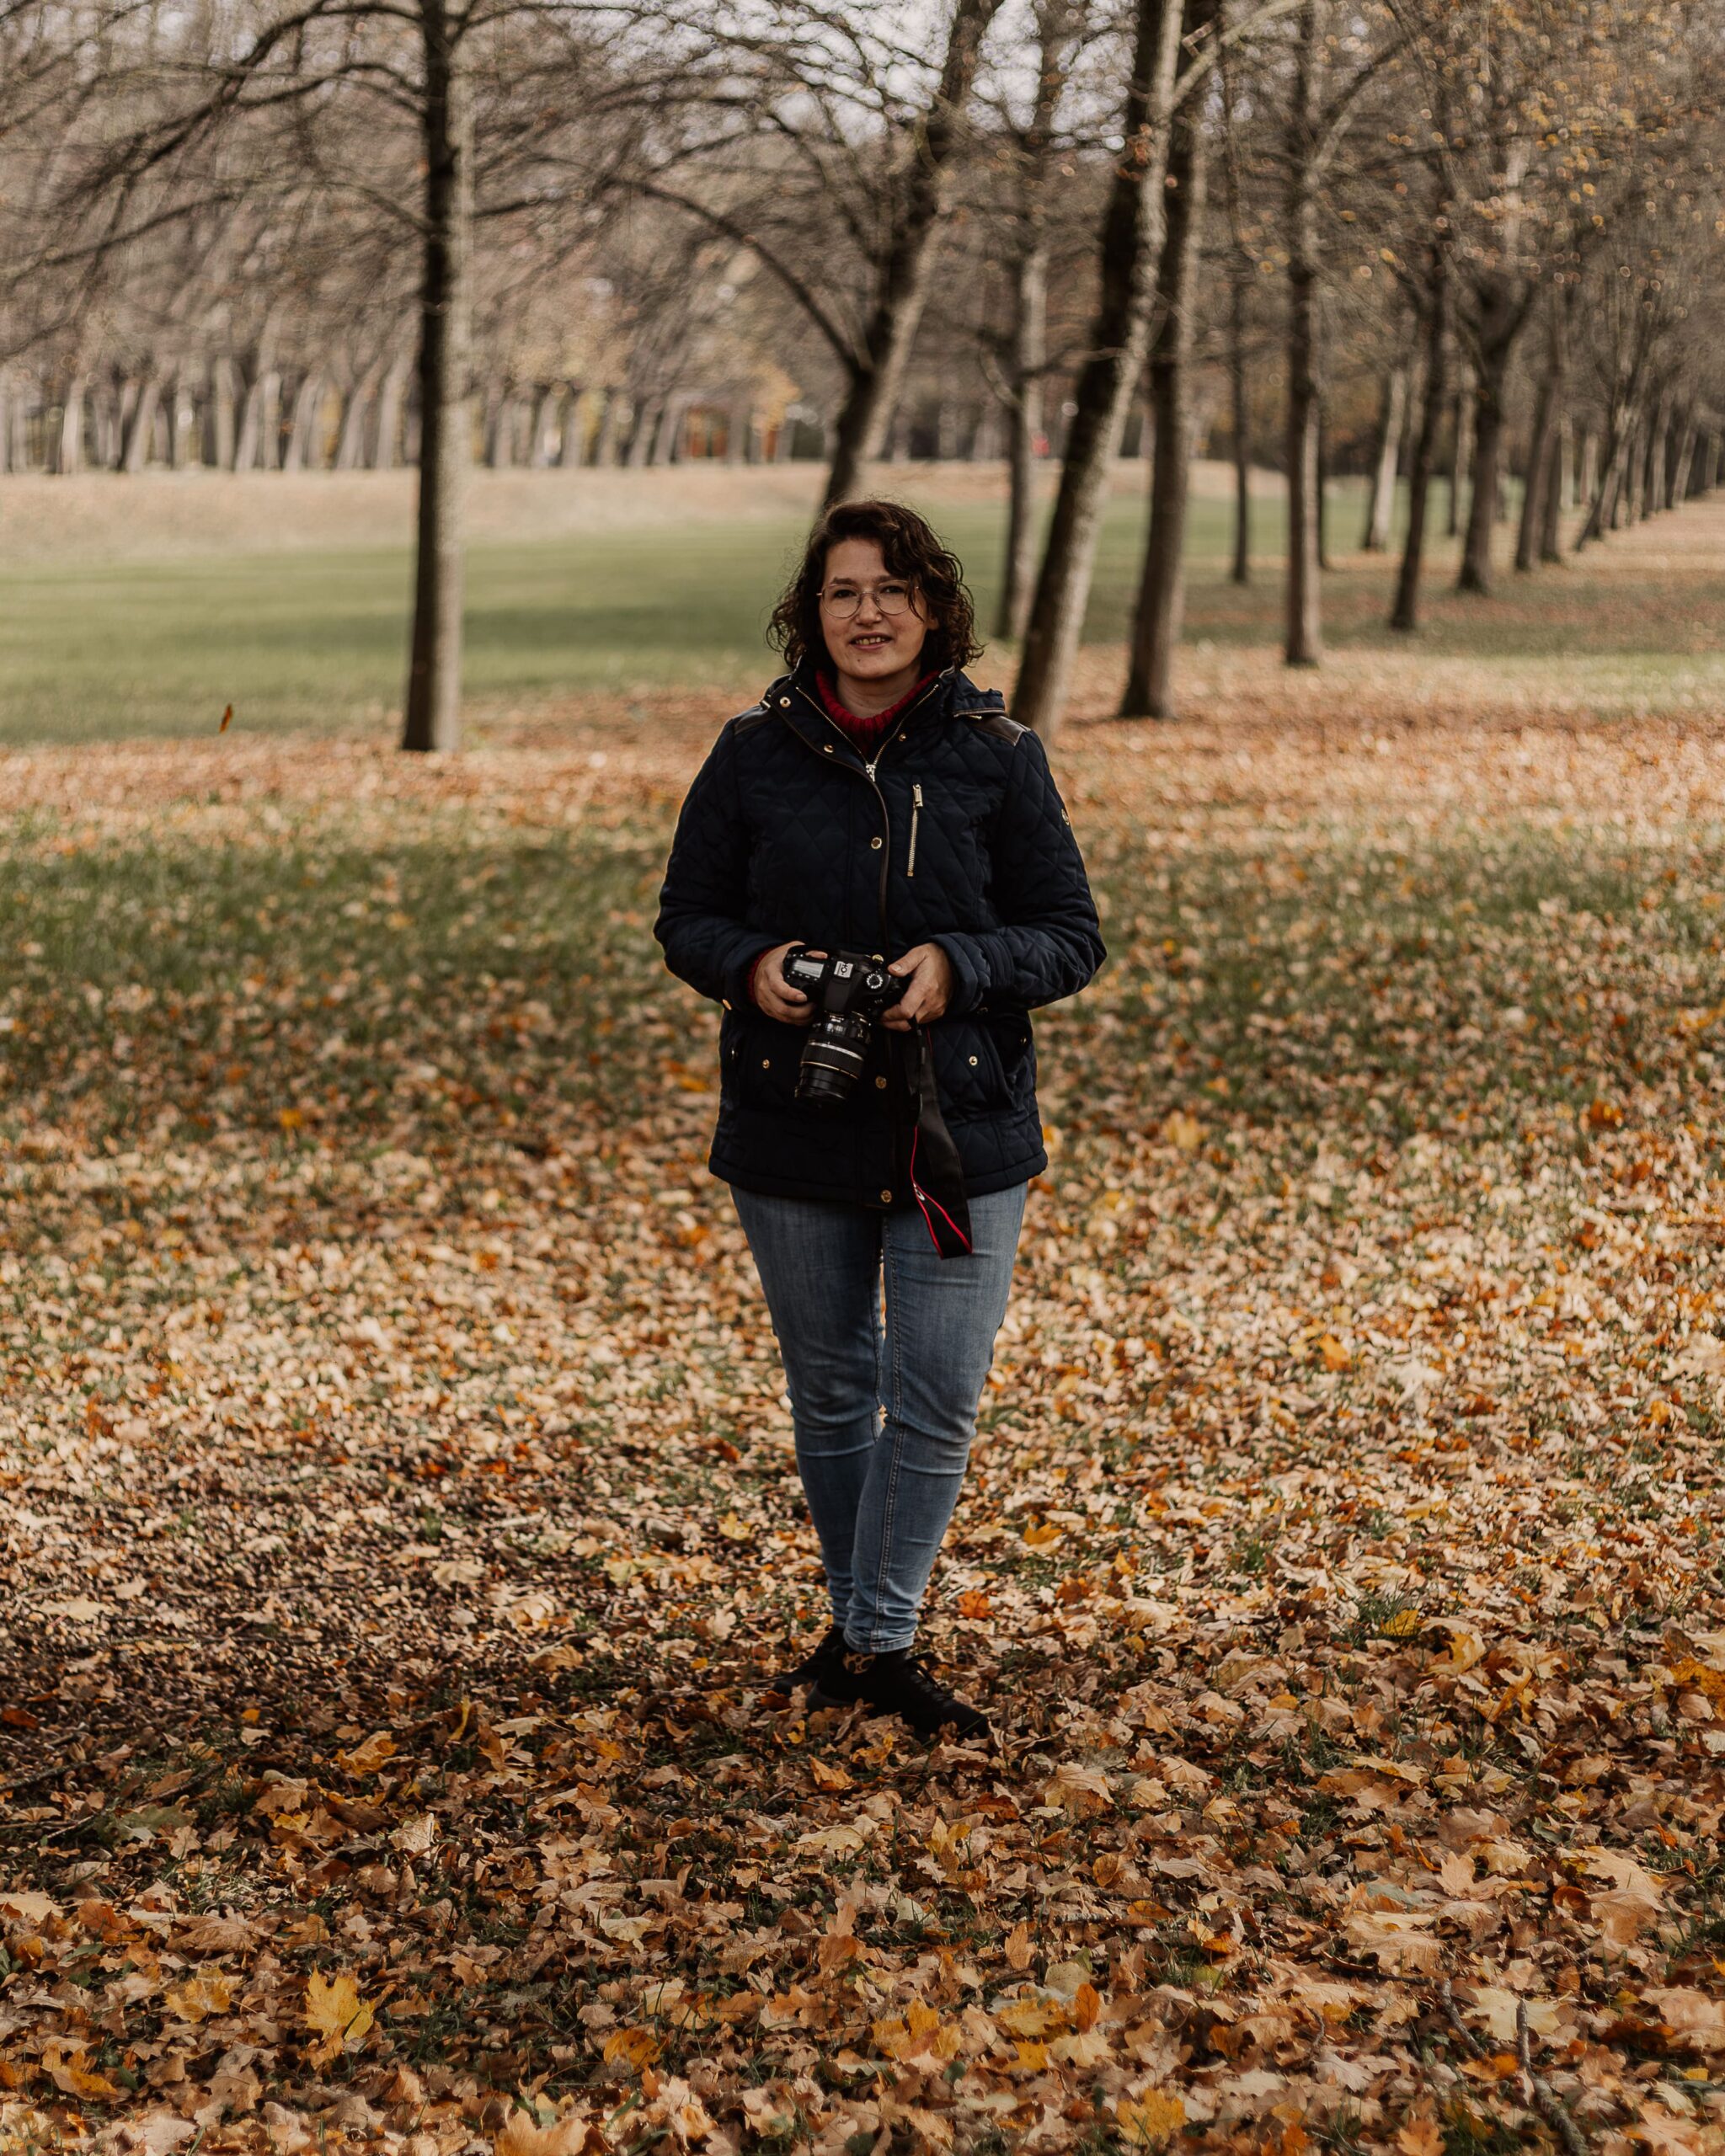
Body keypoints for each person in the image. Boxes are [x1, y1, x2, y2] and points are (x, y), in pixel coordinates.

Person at [654, 499, 1104, 1740]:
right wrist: (756, 968)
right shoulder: (752, 752)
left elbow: (1072, 936)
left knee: (940, 1389)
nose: (869, 613)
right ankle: (873, 1640)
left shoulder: (997, 753)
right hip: (794, 1118)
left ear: (934, 609)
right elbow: (687, 915)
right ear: (813, 611)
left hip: (958, 1125)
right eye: (845, 592)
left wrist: (960, 966)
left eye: (893, 591)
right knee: (836, 1388)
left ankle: (873, 1637)